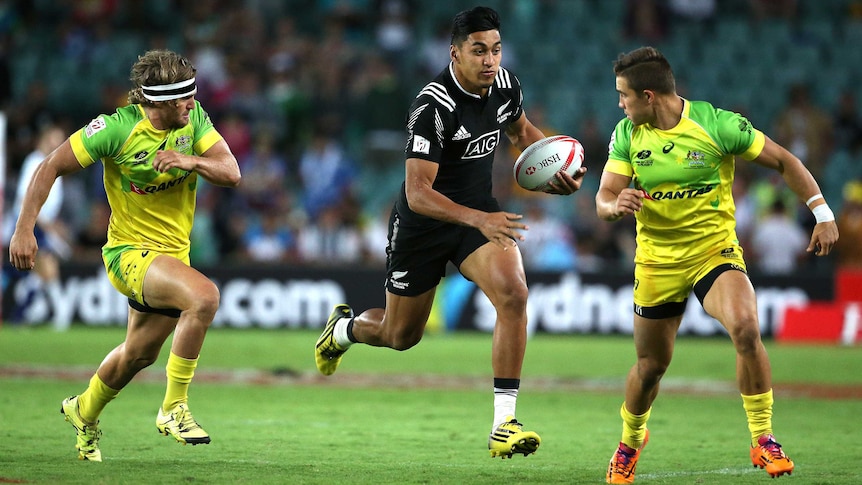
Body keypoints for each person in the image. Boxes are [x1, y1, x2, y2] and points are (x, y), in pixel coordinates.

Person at [313, 6, 585, 459]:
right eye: (479, 51)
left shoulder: (505, 86)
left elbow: (520, 132)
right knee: (401, 337)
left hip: (478, 215)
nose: (490, 61)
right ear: (455, 53)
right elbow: (417, 193)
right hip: (423, 224)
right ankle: (342, 331)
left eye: (496, 50)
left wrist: (552, 163)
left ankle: (504, 423)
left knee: (514, 295)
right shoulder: (431, 106)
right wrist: (478, 219)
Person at [595, 46, 838, 483]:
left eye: (624, 95)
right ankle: (630, 441)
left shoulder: (717, 124)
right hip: (657, 261)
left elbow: (784, 161)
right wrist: (615, 205)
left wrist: (822, 213)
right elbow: (603, 197)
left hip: (714, 250)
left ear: (648, 96)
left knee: (746, 326)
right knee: (651, 366)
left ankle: (763, 439)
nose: (620, 103)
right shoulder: (627, 135)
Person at [9, 49, 241, 462]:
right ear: (160, 103)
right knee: (204, 297)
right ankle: (174, 408)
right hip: (129, 254)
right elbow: (49, 167)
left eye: (193, 96)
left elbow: (231, 172)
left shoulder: (195, 119)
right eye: (184, 98)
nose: (192, 103)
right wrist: (24, 229)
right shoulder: (114, 129)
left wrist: (187, 159)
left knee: (138, 354)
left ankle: (83, 409)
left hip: (173, 256)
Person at [8, 123, 70, 328]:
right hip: (32, 225)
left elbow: (50, 205)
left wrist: (55, 225)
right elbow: (24, 200)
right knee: (46, 269)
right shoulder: (35, 162)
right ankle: (51, 313)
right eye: (55, 138)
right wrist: (46, 226)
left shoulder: (55, 165)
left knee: (44, 272)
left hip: (44, 225)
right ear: (44, 138)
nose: (59, 144)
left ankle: (30, 313)